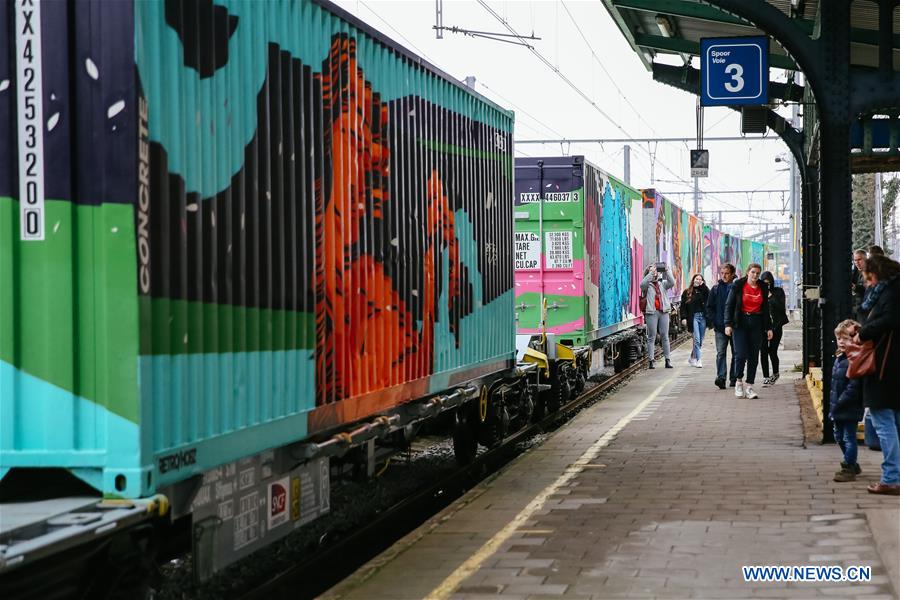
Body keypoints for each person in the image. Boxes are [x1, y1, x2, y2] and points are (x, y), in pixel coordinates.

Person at [854, 255, 900, 495]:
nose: (868, 282)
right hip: (892, 366)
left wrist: (863, 333)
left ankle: (892, 478)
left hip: (884, 366)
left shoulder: (891, 293)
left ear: (878, 273)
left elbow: (888, 320)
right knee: (895, 423)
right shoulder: (891, 289)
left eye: (869, 277)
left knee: (884, 423)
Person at [724, 263, 773, 399]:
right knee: (740, 354)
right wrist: (728, 324)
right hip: (740, 323)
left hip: (757, 323)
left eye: (758, 273)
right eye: (753, 272)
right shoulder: (738, 285)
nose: (755, 275)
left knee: (753, 356)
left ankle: (750, 386)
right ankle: (738, 381)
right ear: (747, 273)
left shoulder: (763, 286)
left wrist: (769, 327)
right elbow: (729, 305)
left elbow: (766, 308)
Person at [830, 319, 864, 482]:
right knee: (838, 436)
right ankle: (852, 462)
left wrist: (840, 402)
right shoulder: (839, 358)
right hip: (838, 406)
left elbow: (853, 386)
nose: (841, 342)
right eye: (839, 338)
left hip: (848, 407)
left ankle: (849, 465)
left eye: (845, 338)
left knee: (848, 437)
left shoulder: (854, 359)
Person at [706, 263, 738, 389]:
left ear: (732, 274)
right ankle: (721, 377)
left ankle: (734, 378)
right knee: (721, 353)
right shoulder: (715, 289)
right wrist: (714, 321)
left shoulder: (737, 288)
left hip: (735, 326)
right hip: (720, 327)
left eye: (727, 273)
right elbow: (709, 307)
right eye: (722, 273)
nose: (724, 276)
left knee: (736, 353)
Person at [641, 263, 676, 369]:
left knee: (665, 336)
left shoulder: (663, 284)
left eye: (656, 271)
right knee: (652, 336)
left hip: (663, 311)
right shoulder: (647, 285)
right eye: (652, 271)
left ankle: (667, 360)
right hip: (651, 312)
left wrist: (667, 270)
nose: (655, 272)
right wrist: (651, 273)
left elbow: (672, 282)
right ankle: (651, 361)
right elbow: (642, 284)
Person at [759, 271, 788, 386]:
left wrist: (771, 297)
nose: (767, 285)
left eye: (768, 283)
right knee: (763, 351)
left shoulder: (778, 292)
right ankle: (766, 376)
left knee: (772, 351)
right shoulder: (759, 292)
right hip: (763, 327)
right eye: (764, 283)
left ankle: (775, 373)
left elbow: (782, 308)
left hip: (776, 326)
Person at [681, 274, 710, 368]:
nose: (698, 280)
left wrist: (703, 286)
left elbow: (709, 297)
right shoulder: (687, 292)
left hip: (703, 318)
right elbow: (683, 307)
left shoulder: (704, 291)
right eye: (696, 279)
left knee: (700, 341)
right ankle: (699, 360)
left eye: (700, 279)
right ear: (693, 280)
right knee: (696, 340)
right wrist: (683, 318)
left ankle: (692, 357)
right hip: (693, 317)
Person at [851, 249, 868, 321]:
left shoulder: (870, 272)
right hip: (854, 308)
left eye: (859, 259)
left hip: (864, 309)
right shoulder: (855, 272)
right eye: (855, 260)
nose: (857, 262)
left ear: (866, 259)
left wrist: (856, 287)